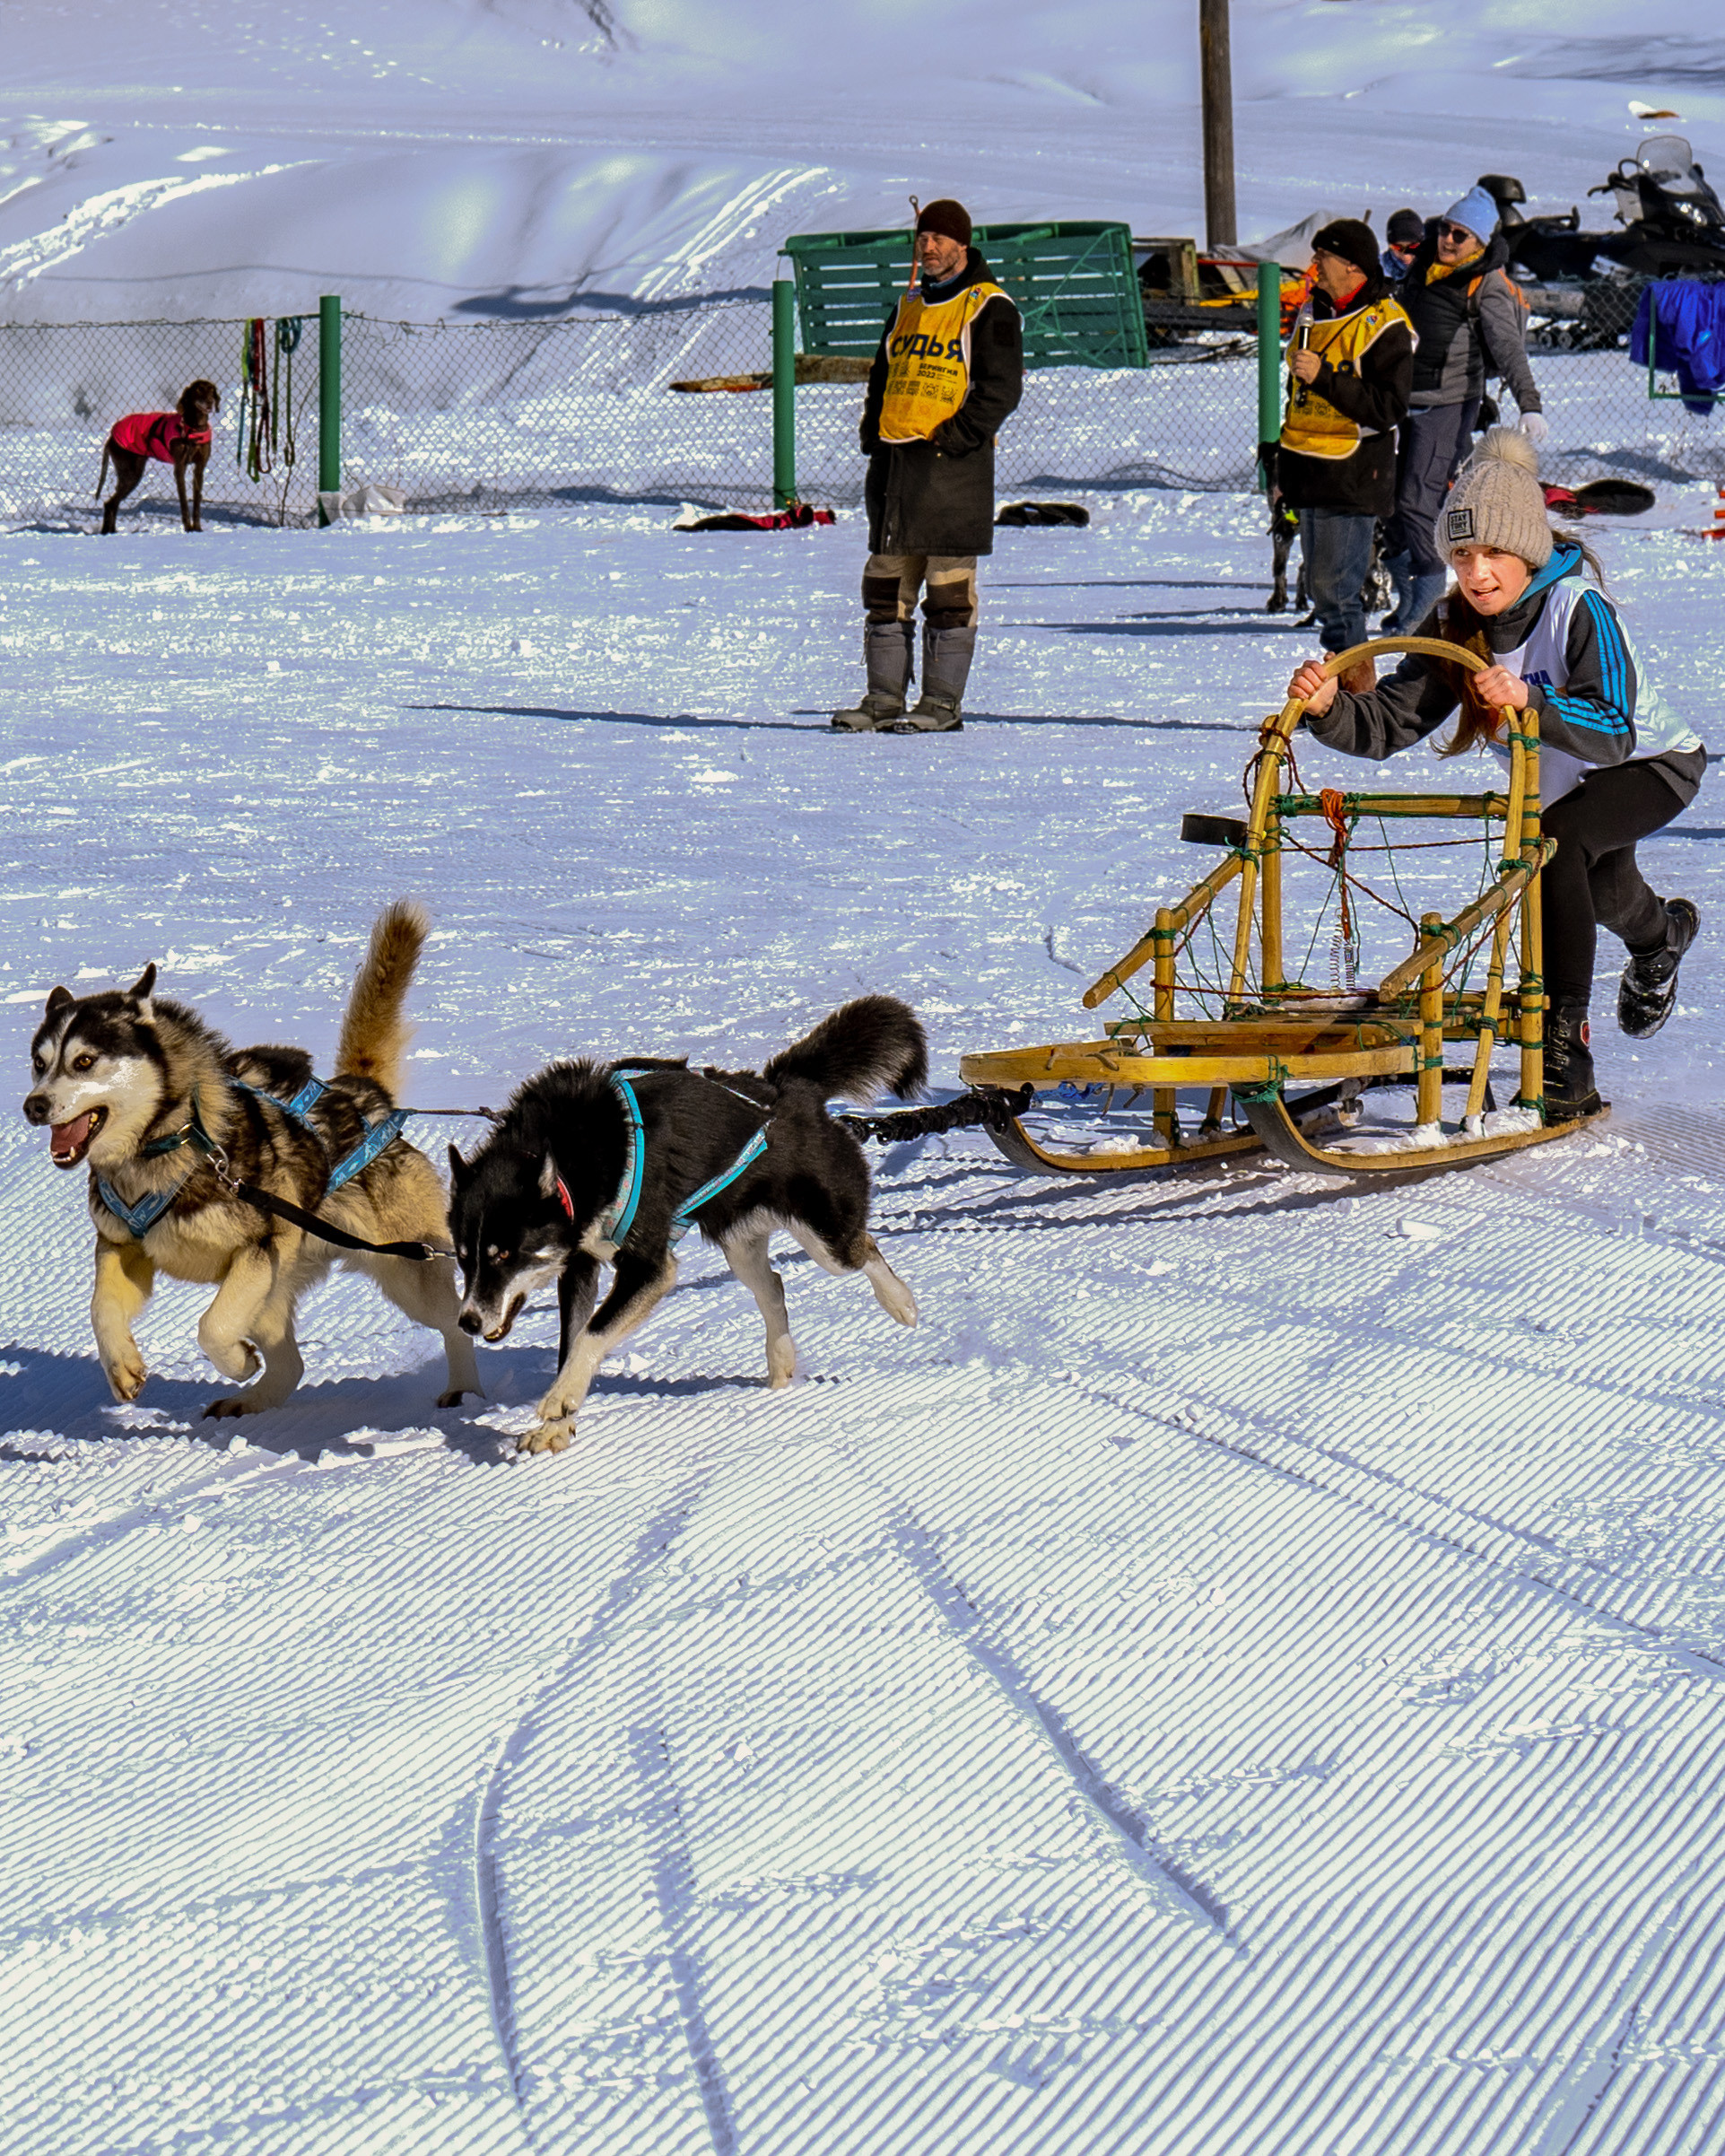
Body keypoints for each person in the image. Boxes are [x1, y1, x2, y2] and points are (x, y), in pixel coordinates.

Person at [1287, 429, 1703, 1120]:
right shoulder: (1457, 626)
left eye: (1493, 553)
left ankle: (1564, 1054)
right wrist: (1330, 709)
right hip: (1569, 783)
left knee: (1555, 844)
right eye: (1461, 554)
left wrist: (1532, 701)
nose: (1476, 572)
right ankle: (1660, 938)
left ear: (1528, 550)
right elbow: (1391, 719)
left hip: (1650, 763)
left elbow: (1612, 727)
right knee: (1600, 887)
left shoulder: (1576, 609)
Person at [832, 199, 1024, 733]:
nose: (929, 247)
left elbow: (1001, 389)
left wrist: (957, 438)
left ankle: (940, 704)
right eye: (923, 238)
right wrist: (873, 432)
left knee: (948, 592)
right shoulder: (909, 304)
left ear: (963, 245)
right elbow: (881, 373)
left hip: (952, 472)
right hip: (895, 469)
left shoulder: (990, 306)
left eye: (940, 238)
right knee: (884, 589)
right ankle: (882, 700)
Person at [1382, 184, 1547, 633]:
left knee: (1418, 501)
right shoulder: (1422, 266)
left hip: (1447, 404)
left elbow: (1510, 350)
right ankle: (1407, 594)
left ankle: (1429, 601)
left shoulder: (1485, 285)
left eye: (1462, 236)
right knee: (1388, 504)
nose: (1449, 240)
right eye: (1448, 229)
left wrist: (1529, 405)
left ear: (1480, 243)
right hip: (1398, 400)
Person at [1274, 217, 1414, 694]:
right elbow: (1296, 400)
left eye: (1323, 258)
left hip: (1353, 473)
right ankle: (1345, 691)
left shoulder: (1384, 323)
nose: (1313, 266)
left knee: (1339, 592)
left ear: (1353, 267)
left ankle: (1358, 695)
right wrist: (1281, 467)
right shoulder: (1312, 313)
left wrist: (1325, 379)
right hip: (1308, 468)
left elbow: (1388, 408)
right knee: (1322, 591)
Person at [1381, 207, 1424, 284]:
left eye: (1412, 247)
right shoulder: (1374, 272)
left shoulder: (1436, 275)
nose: (1405, 255)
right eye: (1398, 247)